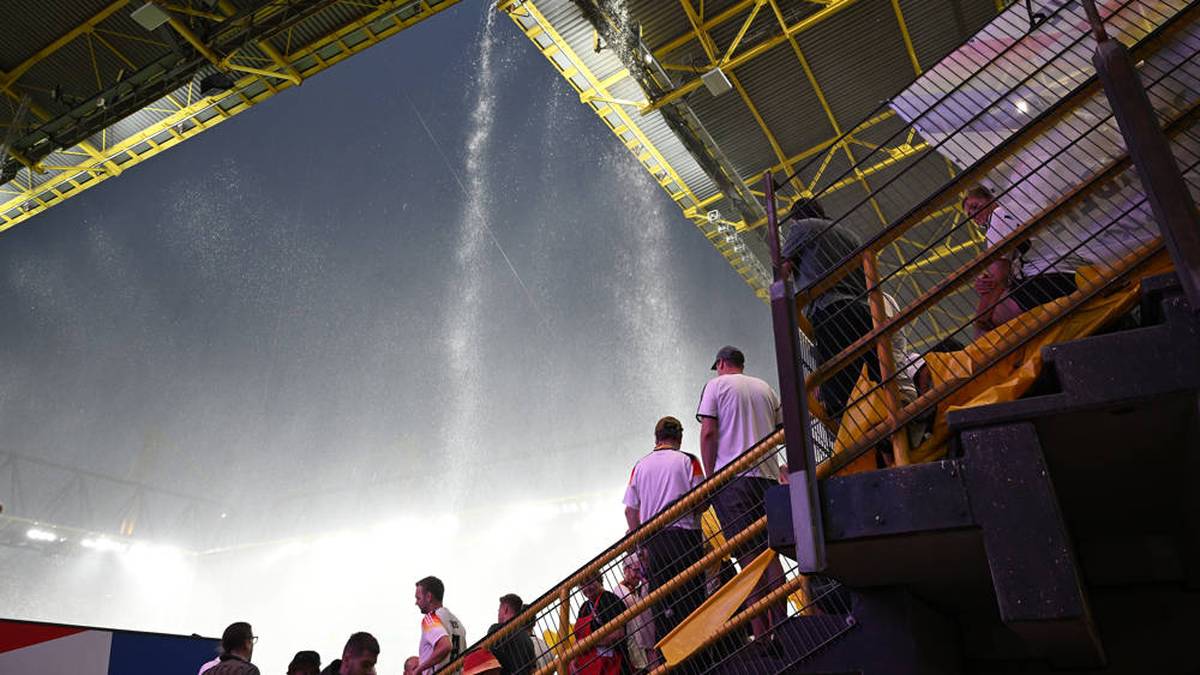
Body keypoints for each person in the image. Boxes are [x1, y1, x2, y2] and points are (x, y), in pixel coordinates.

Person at [696, 346, 786, 638]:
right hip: (768, 479)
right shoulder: (765, 389)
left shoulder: (716, 386)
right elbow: (781, 430)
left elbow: (708, 431)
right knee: (771, 554)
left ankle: (761, 635)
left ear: (721, 363)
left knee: (748, 560)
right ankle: (782, 627)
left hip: (734, 482)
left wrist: (710, 479)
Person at [780, 198, 877, 421]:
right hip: (862, 311)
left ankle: (852, 434)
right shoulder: (850, 235)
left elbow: (782, 269)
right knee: (871, 379)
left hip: (830, 311)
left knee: (838, 388)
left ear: (795, 218)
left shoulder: (802, 227)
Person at [623, 416, 704, 646]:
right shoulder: (689, 461)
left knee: (662, 605)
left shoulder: (639, 466)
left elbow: (630, 511)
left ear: (656, 438)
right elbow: (702, 500)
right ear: (679, 437)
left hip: (654, 543)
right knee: (691, 602)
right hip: (686, 539)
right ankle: (695, 660)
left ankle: (666, 660)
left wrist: (640, 545)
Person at [964, 185, 1078, 335]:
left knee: (985, 330)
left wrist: (980, 320)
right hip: (1068, 273)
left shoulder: (998, 216)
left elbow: (999, 277)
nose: (973, 214)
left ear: (991, 199)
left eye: (974, 206)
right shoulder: (1021, 210)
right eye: (970, 214)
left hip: (1044, 280)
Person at [408, 576, 468, 675]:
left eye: (418, 598)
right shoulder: (458, 624)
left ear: (429, 597)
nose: (416, 603)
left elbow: (445, 646)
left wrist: (418, 670)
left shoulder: (431, 618)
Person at [571, 574, 629, 675]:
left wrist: (589, 643)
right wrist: (573, 661)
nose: (587, 588)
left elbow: (619, 633)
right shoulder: (584, 608)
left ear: (599, 581)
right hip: (591, 666)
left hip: (615, 665)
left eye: (590, 582)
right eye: (583, 585)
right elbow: (578, 639)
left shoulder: (610, 600)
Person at [615, 554, 655, 671]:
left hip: (648, 640)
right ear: (626, 570)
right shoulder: (620, 591)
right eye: (636, 570)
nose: (639, 574)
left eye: (641, 569)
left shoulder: (637, 588)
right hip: (636, 645)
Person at [487, 593, 536, 675]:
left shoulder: (496, 630)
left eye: (499, 609)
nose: (498, 613)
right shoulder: (528, 640)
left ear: (505, 609)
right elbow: (532, 669)